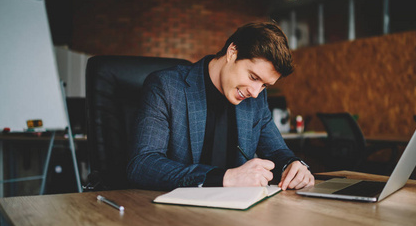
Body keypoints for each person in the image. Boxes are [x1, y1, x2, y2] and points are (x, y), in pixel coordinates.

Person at [127, 22, 314, 191]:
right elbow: (142, 164)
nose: (256, 92)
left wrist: (294, 165)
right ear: (232, 52)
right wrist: (225, 178)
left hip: (237, 215)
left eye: (265, 85)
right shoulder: (166, 86)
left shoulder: (256, 99)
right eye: (253, 77)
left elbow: (276, 151)